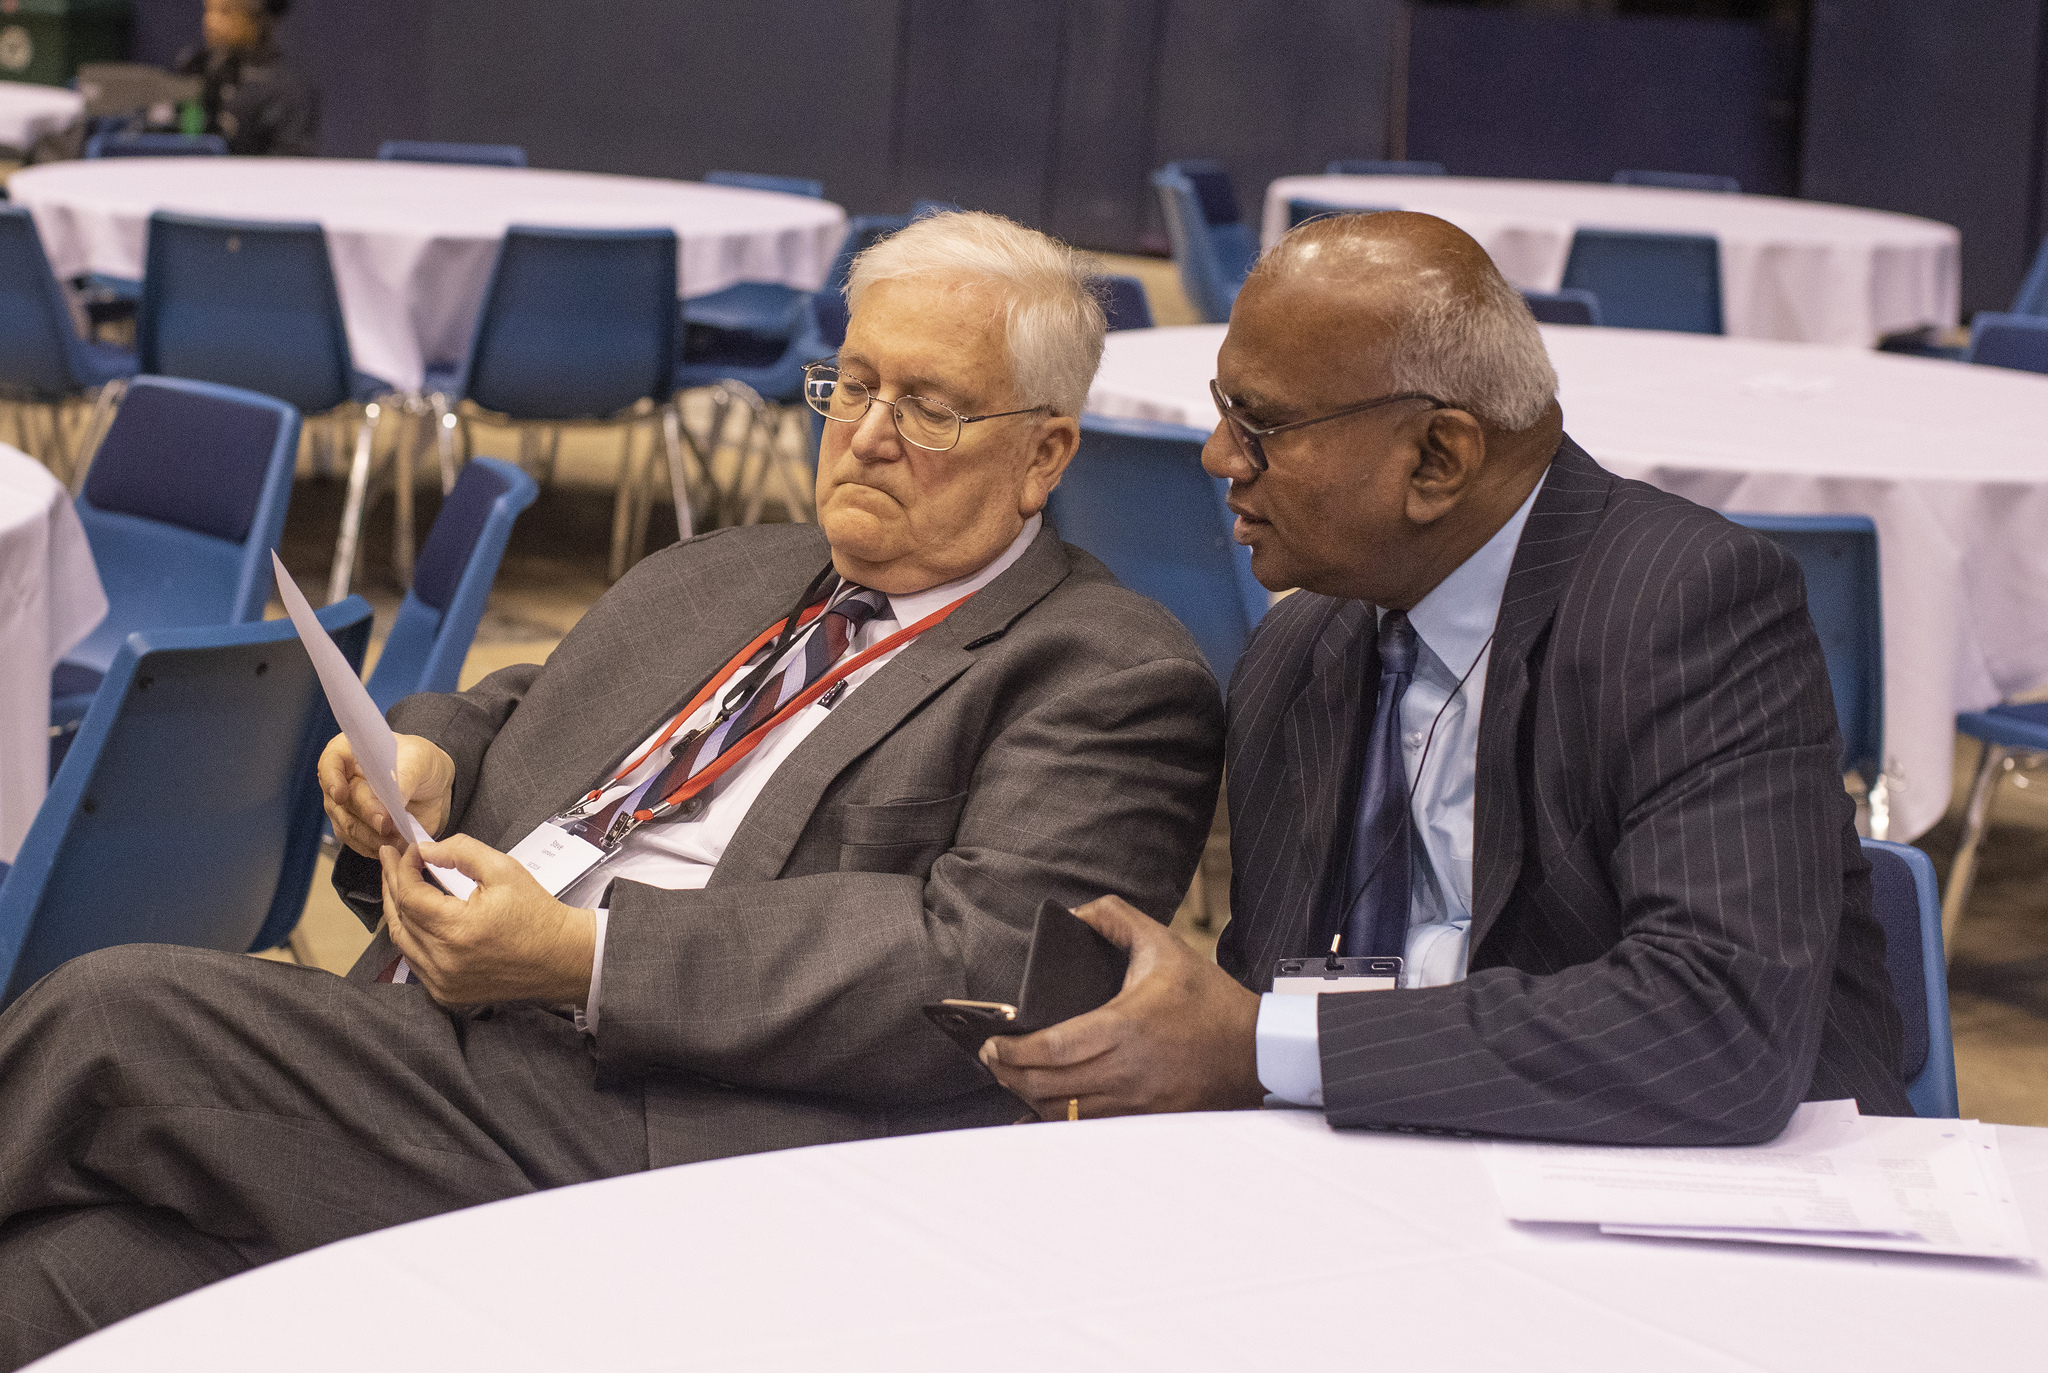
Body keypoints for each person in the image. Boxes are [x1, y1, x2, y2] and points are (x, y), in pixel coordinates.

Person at [0, 211, 1224, 1366]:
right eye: (851, 386)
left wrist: (579, 957)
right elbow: (522, 700)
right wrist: (423, 755)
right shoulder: (733, 568)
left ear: (1044, 452)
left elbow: (986, 962)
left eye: (933, 409)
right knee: (70, 1272)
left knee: (117, 1018)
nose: (867, 432)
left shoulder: (1106, 670)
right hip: (439, 1041)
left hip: (683, 1135)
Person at [983, 211, 1911, 1140]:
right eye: (1225, 409)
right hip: (1379, 1181)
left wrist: (1265, 1042)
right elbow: (1274, 999)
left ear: (1439, 457)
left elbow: (1718, 1028)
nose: (1219, 458)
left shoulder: (1685, 606)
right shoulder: (1299, 650)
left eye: (1260, 424)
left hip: (1711, 1210)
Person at [174, 0, 319, 156]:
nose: (211, 21)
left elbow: (289, 165)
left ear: (257, 18)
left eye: (225, 11)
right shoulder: (195, 67)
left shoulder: (290, 90)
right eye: (208, 10)